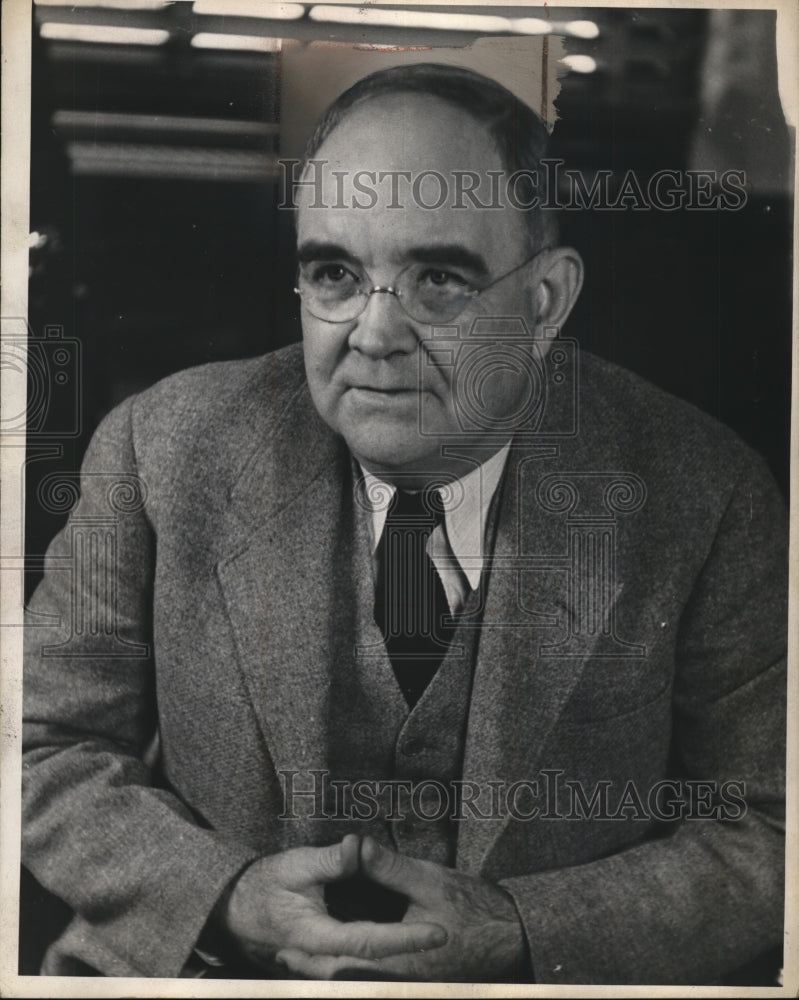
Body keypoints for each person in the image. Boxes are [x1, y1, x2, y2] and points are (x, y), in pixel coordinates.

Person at [22, 63, 787, 985]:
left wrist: (522, 928)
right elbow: (38, 744)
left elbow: (771, 822)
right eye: (335, 274)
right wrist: (220, 892)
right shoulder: (163, 447)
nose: (374, 333)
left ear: (543, 302)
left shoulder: (702, 493)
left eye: (437, 279)